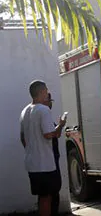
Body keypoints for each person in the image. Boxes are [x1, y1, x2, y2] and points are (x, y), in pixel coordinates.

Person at [20, 80, 66, 216]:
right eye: (46, 91)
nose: (47, 93)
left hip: (32, 163)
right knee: (46, 198)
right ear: (41, 92)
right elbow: (49, 135)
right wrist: (61, 125)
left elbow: (22, 137)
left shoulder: (25, 111)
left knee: (42, 197)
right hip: (45, 164)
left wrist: (32, 150)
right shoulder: (43, 110)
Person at [44, 93, 61, 216]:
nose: (51, 104)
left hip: (47, 159)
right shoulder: (44, 115)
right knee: (53, 190)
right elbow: (53, 134)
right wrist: (61, 124)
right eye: (50, 101)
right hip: (50, 160)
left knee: (47, 193)